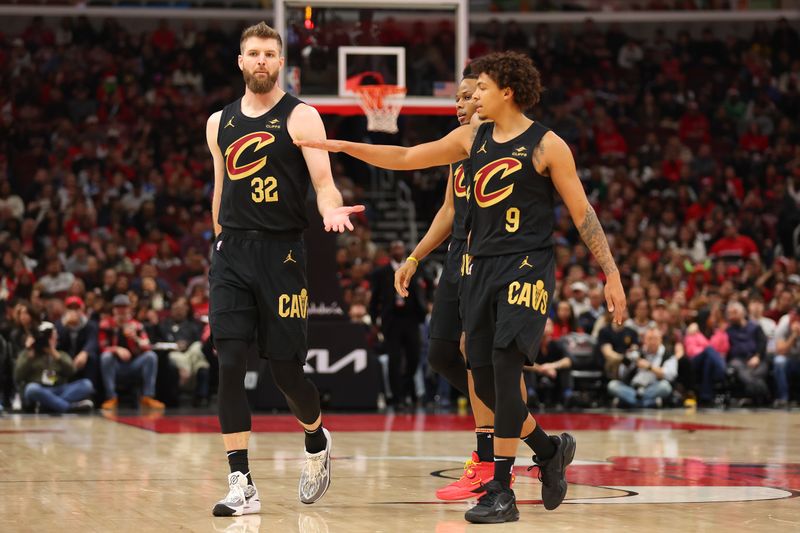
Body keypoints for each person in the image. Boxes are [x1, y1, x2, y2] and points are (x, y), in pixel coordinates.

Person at [298, 51, 627, 524]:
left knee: (505, 365)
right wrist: (346, 147)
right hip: (479, 267)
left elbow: (583, 214)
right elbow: (408, 157)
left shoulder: (547, 145)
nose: (474, 97)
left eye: (483, 89)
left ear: (507, 92)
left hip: (526, 267)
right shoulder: (471, 138)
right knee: (486, 382)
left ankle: (501, 488)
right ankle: (548, 451)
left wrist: (610, 273)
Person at [205, 22, 364, 517]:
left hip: (282, 254)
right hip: (231, 253)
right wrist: (217, 237)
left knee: (285, 372)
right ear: (240, 60)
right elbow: (220, 187)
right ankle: (241, 483)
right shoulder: (219, 123)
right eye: (251, 53)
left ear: (280, 63)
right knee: (229, 364)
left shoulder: (302, 117)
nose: (260, 61)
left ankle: (316, 440)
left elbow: (323, 181)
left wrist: (331, 208)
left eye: (269, 54)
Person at [394, 69, 521, 500]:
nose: (461, 105)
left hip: (488, 260)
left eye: (470, 96)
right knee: (440, 354)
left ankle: (488, 458)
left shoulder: (502, 144)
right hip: (455, 259)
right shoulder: (457, 148)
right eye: (459, 100)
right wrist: (415, 256)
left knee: (476, 356)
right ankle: (515, 415)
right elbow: (449, 210)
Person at [370, 240, 430, 408]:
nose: (398, 250)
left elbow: (428, 285)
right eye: (395, 247)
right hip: (392, 321)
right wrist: (375, 320)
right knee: (394, 360)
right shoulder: (381, 273)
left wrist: (427, 303)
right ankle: (397, 398)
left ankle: (408, 391)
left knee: (414, 358)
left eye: (401, 247)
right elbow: (374, 300)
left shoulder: (414, 268)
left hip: (411, 318)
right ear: (390, 251)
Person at [98, 294, 164, 410]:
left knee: (151, 356)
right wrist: (117, 349)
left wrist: (136, 339)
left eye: (124, 307)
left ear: (129, 309)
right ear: (114, 309)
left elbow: (147, 346)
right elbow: (101, 348)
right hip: (116, 366)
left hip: (134, 365)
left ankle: (147, 396)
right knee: (106, 357)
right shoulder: (106, 324)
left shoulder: (137, 325)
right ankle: (111, 397)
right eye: (118, 307)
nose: (121, 311)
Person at [14, 322, 94, 413]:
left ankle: (49, 405)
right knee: (31, 389)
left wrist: (55, 355)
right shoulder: (29, 354)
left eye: (52, 338)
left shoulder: (60, 354)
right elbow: (17, 375)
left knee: (86, 384)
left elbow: (72, 371)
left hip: (58, 389)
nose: (50, 340)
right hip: (39, 390)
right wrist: (28, 354)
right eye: (47, 338)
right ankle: (67, 407)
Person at [607, 327, 677, 408]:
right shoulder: (637, 352)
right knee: (612, 385)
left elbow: (670, 375)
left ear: (661, 340)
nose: (653, 342)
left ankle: (630, 402)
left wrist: (649, 367)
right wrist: (628, 363)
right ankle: (650, 403)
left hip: (653, 388)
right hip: (633, 388)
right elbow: (621, 374)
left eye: (655, 339)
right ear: (645, 340)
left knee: (665, 387)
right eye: (650, 339)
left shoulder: (668, 355)